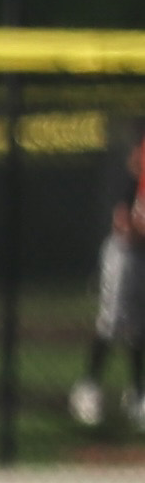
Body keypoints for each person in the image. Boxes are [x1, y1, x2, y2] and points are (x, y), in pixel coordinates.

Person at [69, 120, 145, 431]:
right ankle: (88, 387)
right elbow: (124, 227)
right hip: (123, 254)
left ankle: (138, 394)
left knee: (138, 326)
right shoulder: (128, 179)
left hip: (141, 255)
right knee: (112, 320)